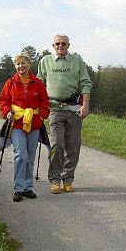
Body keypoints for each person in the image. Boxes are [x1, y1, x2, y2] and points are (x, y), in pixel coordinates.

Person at [37, 34, 92, 194]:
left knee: (73, 146)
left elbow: (85, 83)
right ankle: (55, 180)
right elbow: (40, 84)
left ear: (68, 45)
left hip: (74, 109)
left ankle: (68, 179)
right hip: (54, 109)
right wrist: (39, 106)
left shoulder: (77, 61)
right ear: (53, 46)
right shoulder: (45, 61)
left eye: (63, 44)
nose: (60, 46)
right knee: (57, 145)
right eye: (57, 44)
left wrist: (86, 105)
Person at [0, 51, 50, 202]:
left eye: (23, 63)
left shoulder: (38, 83)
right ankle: (18, 188)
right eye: (18, 63)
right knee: (21, 154)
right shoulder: (10, 83)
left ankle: (28, 187)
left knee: (30, 155)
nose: (21, 66)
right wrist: (7, 112)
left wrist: (42, 115)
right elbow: (3, 101)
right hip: (17, 123)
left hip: (34, 124)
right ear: (15, 65)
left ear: (29, 64)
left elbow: (44, 102)